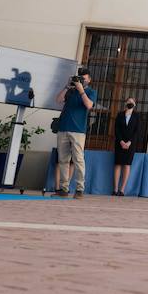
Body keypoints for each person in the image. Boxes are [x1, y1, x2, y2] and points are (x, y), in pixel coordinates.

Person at [54, 67, 97, 198]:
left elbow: (89, 105)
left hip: (78, 131)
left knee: (78, 159)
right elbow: (58, 100)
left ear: (89, 79)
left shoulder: (91, 92)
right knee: (63, 160)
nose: (81, 80)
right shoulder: (71, 91)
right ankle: (64, 189)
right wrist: (67, 86)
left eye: (83, 78)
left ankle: (79, 189)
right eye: (79, 78)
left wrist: (81, 90)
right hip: (63, 128)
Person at [112, 97, 141, 196]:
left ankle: (122, 190)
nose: (130, 103)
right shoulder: (120, 115)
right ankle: (115, 189)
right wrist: (121, 141)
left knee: (127, 165)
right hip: (119, 143)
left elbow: (137, 131)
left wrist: (129, 142)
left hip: (130, 144)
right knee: (118, 164)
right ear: (125, 103)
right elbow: (116, 129)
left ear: (135, 104)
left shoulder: (137, 116)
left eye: (132, 102)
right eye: (128, 102)